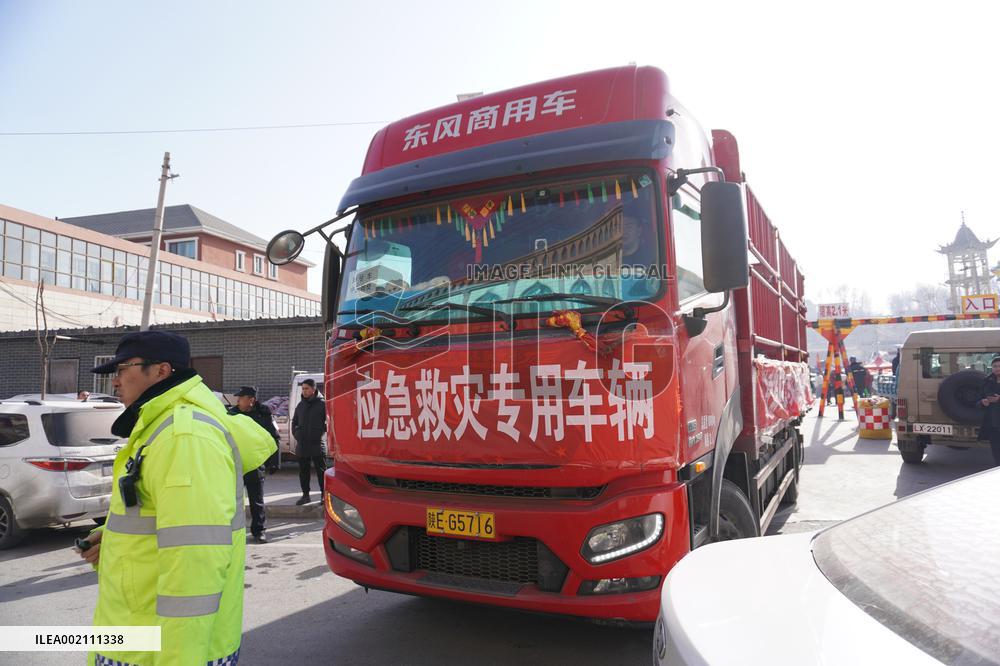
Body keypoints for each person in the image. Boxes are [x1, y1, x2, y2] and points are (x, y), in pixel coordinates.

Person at [77, 330, 275, 665]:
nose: (115, 382)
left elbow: (193, 571)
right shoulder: (160, 427)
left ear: (162, 371)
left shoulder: (184, 437)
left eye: (124, 369)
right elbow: (160, 522)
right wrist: (112, 541)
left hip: (158, 652)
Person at [228, 386, 280, 543]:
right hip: (235, 464)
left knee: (256, 500)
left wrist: (274, 463)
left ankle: (259, 531)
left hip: (255, 464)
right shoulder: (232, 414)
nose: (237, 401)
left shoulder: (263, 414)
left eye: (241, 398)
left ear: (251, 400)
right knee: (233, 500)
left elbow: (274, 437)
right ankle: (233, 530)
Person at [292, 378, 327, 505]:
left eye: (307, 388)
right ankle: (305, 495)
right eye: (303, 389)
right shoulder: (300, 405)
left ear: (313, 389)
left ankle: (324, 495)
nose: (304, 391)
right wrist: (297, 435)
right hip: (302, 444)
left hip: (317, 443)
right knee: (303, 472)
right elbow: (294, 422)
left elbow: (329, 421)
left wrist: (320, 432)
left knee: (321, 472)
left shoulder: (323, 404)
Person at [977, 355, 1000, 466]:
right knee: (996, 453)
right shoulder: (987, 381)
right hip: (993, 424)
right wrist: (982, 402)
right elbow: (977, 401)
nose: (997, 368)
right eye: (995, 366)